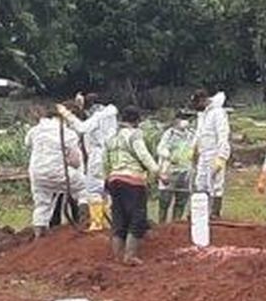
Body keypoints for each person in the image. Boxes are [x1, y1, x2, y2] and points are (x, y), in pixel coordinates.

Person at [104, 106, 159, 266]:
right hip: (133, 181)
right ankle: (130, 256)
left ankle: (117, 257)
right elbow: (144, 155)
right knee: (137, 217)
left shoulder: (111, 138)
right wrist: (157, 172)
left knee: (119, 218)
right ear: (137, 121)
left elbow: (104, 162)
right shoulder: (135, 135)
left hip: (114, 180)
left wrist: (107, 178)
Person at [57, 95, 118, 232]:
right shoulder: (110, 115)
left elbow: (82, 127)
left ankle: (97, 223)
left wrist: (66, 114)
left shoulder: (98, 117)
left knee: (94, 189)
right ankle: (114, 221)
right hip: (113, 154)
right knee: (109, 189)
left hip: (98, 156)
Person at [25, 105, 85, 237]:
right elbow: (76, 161)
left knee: (42, 204)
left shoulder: (35, 131)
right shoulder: (68, 133)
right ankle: (84, 223)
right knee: (85, 189)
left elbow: (28, 144)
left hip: (37, 174)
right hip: (58, 171)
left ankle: (39, 237)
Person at [192, 90, 231, 218]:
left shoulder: (218, 113)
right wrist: (194, 149)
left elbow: (222, 135)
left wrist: (221, 157)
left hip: (215, 152)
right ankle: (200, 211)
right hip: (203, 153)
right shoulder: (202, 114)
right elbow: (199, 133)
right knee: (200, 182)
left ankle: (215, 212)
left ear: (204, 100)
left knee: (216, 183)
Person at [156, 112, 195, 222]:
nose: (185, 121)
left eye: (187, 119)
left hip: (185, 171)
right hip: (170, 171)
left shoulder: (191, 134)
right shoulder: (169, 134)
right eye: (182, 119)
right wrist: (169, 155)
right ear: (176, 120)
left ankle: (176, 224)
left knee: (181, 200)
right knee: (165, 200)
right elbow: (160, 149)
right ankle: (162, 224)